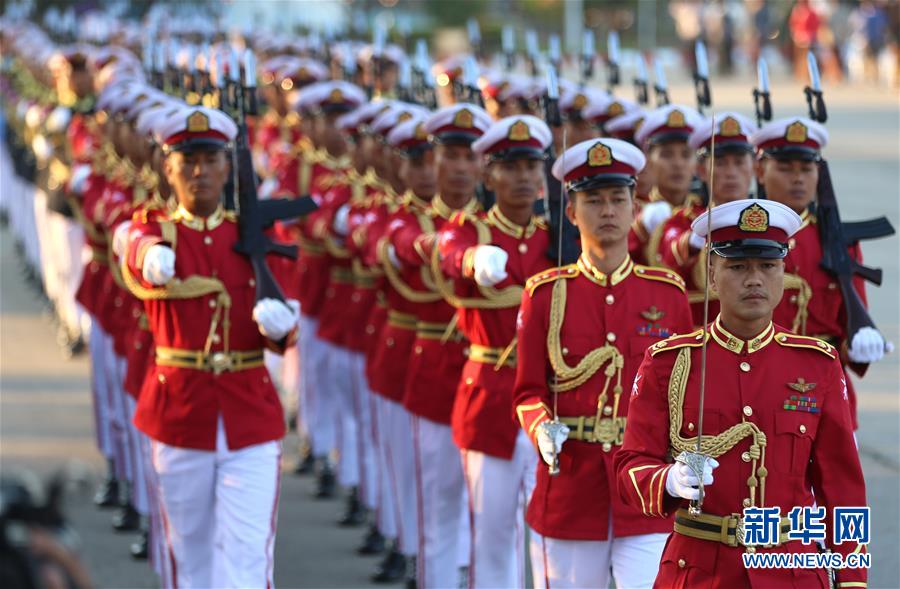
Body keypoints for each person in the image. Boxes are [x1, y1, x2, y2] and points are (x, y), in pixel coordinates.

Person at [616, 199, 868, 588]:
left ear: (783, 273)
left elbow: (842, 487)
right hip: (699, 569)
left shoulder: (817, 364)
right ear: (712, 276)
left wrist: (852, 580)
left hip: (791, 569)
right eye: (737, 267)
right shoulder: (670, 362)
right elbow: (631, 464)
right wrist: (667, 480)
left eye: (767, 266)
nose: (754, 279)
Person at [122, 106, 299, 588]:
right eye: (188, 161)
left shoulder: (254, 236)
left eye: (210, 160)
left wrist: (281, 328)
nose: (199, 172)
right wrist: (148, 254)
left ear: (227, 168)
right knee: (190, 557)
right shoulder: (157, 232)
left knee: (248, 556)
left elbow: (283, 326)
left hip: (249, 411)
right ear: (168, 168)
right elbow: (130, 242)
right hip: (180, 413)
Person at [513, 137, 693, 589]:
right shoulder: (545, 294)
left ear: (635, 207)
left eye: (617, 199)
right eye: (593, 200)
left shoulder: (666, 293)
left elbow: (686, 393)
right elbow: (528, 390)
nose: (607, 211)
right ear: (572, 213)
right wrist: (542, 429)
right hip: (572, 487)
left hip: (647, 491)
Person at [434, 114, 553, 588]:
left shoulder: (557, 236)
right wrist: (471, 259)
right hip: (491, 400)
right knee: (493, 536)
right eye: (511, 167)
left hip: (551, 400)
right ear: (490, 174)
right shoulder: (473, 231)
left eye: (531, 167)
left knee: (550, 535)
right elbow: (447, 250)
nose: (523, 177)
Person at [384, 103, 492, 588]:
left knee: (492, 511)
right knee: (439, 497)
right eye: (451, 155)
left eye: (471, 156)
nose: (461, 167)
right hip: (435, 374)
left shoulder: (500, 226)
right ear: (433, 161)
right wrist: (458, 252)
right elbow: (410, 244)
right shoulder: (413, 222)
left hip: (491, 378)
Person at [750, 116, 887, 429]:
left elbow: (851, 322)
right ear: (759, 170)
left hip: (824, 389)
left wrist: (859, 344)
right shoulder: (744, 238)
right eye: (785, 168)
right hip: (758, 381)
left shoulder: (839, 242)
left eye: (807, 169)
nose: (798, 178)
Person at [658, 112, 757, 325]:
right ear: (702, 170)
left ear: (754, 168)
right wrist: (698, 235)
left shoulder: (769, 224)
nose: (731, 172)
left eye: (739, 162)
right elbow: (670, 251)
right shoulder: (684, 221)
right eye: (720, 163)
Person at [629, 105, 702, 266]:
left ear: (696, 164)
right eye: (666, 155)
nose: (678, 164)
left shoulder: (704, 214)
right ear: (648, 161)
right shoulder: (632, 212)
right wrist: (640, 229)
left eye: (686, 155)